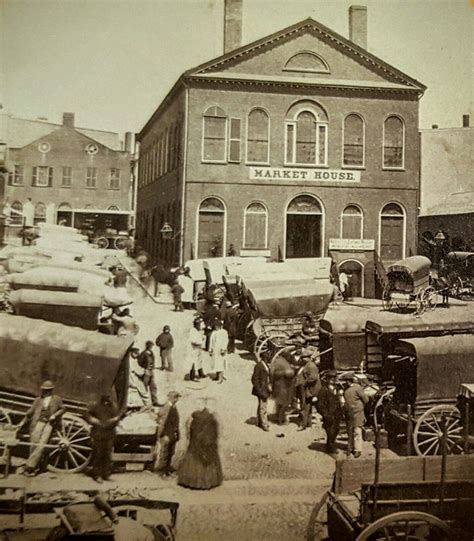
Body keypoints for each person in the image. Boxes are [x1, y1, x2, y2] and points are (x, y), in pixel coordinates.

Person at [177, 398, 223, 490]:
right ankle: (205, 483)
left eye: (199, 404)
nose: (197, 406)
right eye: (196, 404)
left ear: (204, 405)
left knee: (198, 462)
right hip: (199, 442)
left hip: (201, 442)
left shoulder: (205, 417)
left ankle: (198, 483)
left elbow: (209, 431)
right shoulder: (199, 415)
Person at [22, 380, 65, 476]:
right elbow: (30, 412)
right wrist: (22, 422)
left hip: (49, 423)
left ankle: (30, 466)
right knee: (34, 442)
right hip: (38, 422)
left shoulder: (57, 399)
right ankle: (33, 464)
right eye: (44, 390)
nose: (45, 392)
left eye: (48, 390)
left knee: (42, 444)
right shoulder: (38, 399)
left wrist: (55, 415)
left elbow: (63, 408)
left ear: (51, 390)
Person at [85, 394, 123, 482]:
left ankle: (106, 475)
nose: (108, 401)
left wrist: (115, 420)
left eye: (109, 399)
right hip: (98, 434)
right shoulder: (95, 406)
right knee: (98, 455)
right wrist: (92, 420)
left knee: (107, 456)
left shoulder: (113, 408)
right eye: (106, 399)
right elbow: (87, 414)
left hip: (109, 434)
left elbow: (116, 418)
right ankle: (97, 475)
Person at [316, 370, 344, 454]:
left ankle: (330, 445)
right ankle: (330, 448)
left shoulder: (338, 388)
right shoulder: (323, 390)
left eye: (334, 378)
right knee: (330, 431)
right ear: (327, 380)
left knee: (336, 430)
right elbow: (320, 405)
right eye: (331, 378)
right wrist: (325, 414)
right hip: (329, 415)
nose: (333, 380)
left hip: (337, 414)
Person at [295, 347, 321, 430]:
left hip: (309, 389)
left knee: (305, 406)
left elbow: (313, 378)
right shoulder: (308, 365)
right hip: (307, 389)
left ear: (308, 358)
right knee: (307, 407)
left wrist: (304, 382)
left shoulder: (310, 366)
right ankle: (308, 423)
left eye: (304, 358)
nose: (302, 359)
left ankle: (303, 424)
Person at [156, 390, 181, 478]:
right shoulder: (166, 407)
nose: (177, 399)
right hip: (166, 434)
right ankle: (161, 472)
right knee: (164, 453)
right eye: (176, 397)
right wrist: (162, 434)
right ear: (172, 398)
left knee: (171, 452)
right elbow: (162, 422)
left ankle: (167, 471)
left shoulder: (173, 407)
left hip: (172, 434)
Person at [343, 374, 369, 458]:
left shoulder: (352, 389)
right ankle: (353, 449)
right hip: (353, 412)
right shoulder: (351, 388)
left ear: (349, 381)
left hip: (353, 412)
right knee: (353, 431)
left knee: (354, 431)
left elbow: (365, 400)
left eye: (346, 381)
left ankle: (354, 449)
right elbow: (366, 400)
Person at [270, 350, 295, 425]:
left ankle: (277, 417)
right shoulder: (284, 363)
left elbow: (271, 372)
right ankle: (281, 420)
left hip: (277, 385)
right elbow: (289, 374)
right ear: (286, 356)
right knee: (284, 404)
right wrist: (293, 371)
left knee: (279, 403)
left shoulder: (276, 361)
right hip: (283, 386)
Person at [251, 354, 272, 431]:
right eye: (267, 357)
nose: (268, 359)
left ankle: (259, 422)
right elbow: (254, 379)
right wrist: (259, 390)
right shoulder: (259, 366)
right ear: (263, 358)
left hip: (265, 389)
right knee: (263, 407)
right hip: (262, 390)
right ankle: (264, 424)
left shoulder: (265, 365)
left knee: (261, 406)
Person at [138, 341, 159, 406]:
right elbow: (140, 362)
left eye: (151, 346)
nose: (151, 347)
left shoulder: (151, 353)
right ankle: (144, 403)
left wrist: (152, 367)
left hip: (151, 371)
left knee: (153, 387)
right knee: (144, 387)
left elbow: (153, 361)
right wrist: (143, 369)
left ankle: (155, 402)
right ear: (147, 346)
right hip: (146, 371)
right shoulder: (143, 353)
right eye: (150, 345)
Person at [209, 319, 229, 384]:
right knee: (216, 363)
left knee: (220, 364)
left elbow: (226, 341)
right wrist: (210, 349)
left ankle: (220, 378)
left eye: (218, 325)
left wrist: (223, 349)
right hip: (215, 350)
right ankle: (217, 375)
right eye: (215, 325)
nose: (216, 327)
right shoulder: (214, 333)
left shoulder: (224, 332)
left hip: (221, 350)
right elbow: (211, 341)